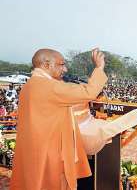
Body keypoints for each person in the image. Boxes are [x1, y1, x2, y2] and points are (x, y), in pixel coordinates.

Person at [10, 48, 108, 190]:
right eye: (61, 64)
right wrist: (99, 67)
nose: (65, 69)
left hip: (32, 150)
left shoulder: (28, 86)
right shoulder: (50, 87)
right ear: (46, 64)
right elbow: (89, 92)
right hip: (50, 154)